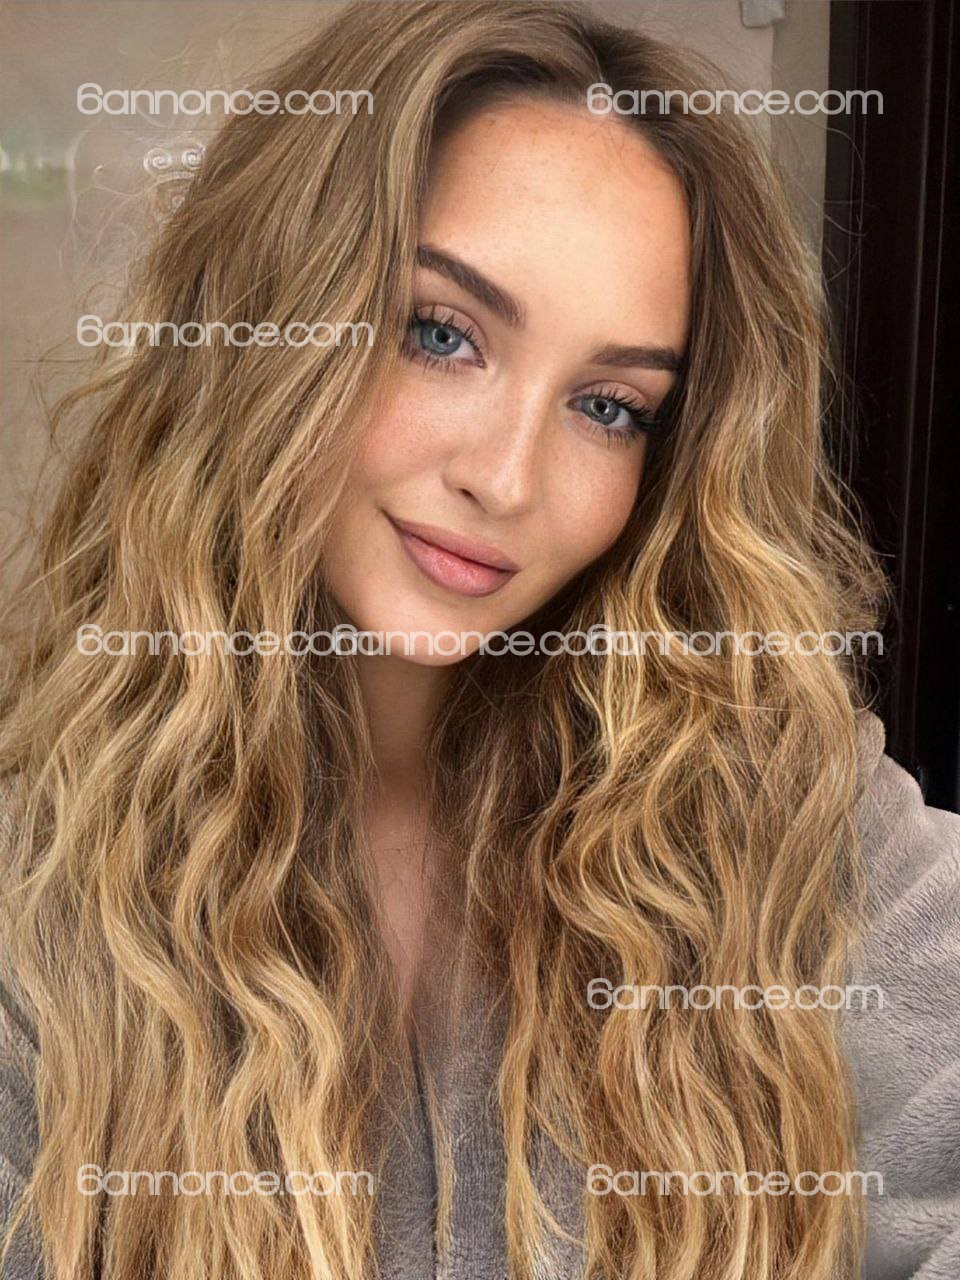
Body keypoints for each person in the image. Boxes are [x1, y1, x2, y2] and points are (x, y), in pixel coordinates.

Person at [1, 3, 958, 1278]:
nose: (507, 479)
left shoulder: (794, 817)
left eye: (609, 406)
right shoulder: (39, 880)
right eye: (441, 333)